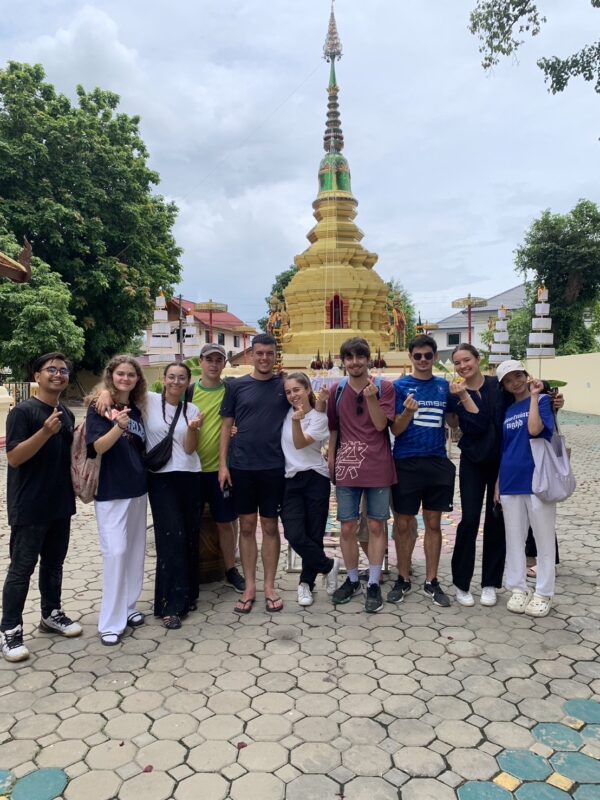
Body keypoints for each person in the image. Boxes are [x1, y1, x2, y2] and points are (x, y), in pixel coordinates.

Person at [1, 353, 82, 663]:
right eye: (51, 370)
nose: (58, 374)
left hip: (60, 502)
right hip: (29, 505)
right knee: (21, 569)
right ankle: (9, 629)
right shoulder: (23, 412)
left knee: (54, 563)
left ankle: (51, 614)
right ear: (37, 375)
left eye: (63, 370)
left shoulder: (66, 413)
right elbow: (14, 457)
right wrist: (45, 432)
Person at [390, 334, 469, 608]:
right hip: (406, 462)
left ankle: (432, 581)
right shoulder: (399, 387)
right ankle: (403, 577)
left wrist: (459, 402)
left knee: (433, 523)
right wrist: (408, 413)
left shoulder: (443, 387)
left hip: (436, 461)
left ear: (435, 357)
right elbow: (395, 430)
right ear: (410, 358)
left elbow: (453, 424)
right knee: (403, 523)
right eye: (417, 356)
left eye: (427, 356)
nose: (423, 360)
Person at [219, 333, 289, 613]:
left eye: (269, 354)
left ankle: (270, 586)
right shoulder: (237, 387)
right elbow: (226, 427)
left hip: (274, 466)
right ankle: (250, 586)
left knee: (270, 526)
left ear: (275, 355)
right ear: (251, 355)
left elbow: (309, 407)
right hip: (242, 466)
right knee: (247, 526)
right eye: (259, 353)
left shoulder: (284, 386)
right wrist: (223, 465)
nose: (264, 358)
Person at [326, 337, 396, 614]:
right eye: (349, 358)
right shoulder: (336, 390)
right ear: (343, 361)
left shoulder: (384, 388)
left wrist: (371, 399)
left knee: (377, 525)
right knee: (346, 526)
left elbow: (381, 425)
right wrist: (331, 457)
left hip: (378, 464)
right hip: (347, 464)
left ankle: (374, 582)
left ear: (369, 360)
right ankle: (353, 578)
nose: (355, 362)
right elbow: (333, 428)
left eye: (360, 357)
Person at [85, 355, 147, 646]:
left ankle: (129, 607)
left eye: (131, 375)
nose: (125, 379)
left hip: (137, 488)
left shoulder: (137, 408)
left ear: (137, 380)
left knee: (135, 552)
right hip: (111, 491)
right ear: (111, 375)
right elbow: (97, 447)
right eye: (120, 374)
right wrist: (118, 426)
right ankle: (110, 621)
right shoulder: (101, 406)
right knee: (116, 552)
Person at [494, 360, 556, 617]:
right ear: (504, 386)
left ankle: (543, 593)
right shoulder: (508, 412)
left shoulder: (542, 402)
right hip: (510, 481)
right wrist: (498, 482)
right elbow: (505, 448)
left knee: (543, 540)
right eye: (508, 380)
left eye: (518, 376)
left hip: (537, 481)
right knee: (514, 540)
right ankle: (518, 588)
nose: (515, 382)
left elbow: (535, 430)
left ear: (526, 376)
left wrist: (534, 396)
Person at [144, 363, 204, 629]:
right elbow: (113, 389)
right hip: (161, 478)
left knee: (189, 536)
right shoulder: (148, 400)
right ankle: (171, 604)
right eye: (171, 377)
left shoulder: (192, 409)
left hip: (190, 476)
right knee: (171, 538)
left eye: (182, 378)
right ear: (164, 379)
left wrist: (192, 428)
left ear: (188, 382)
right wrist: (101, 398)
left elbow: (190, 450)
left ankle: (188, 595)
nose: (176, 382)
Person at [447, 344, 505, 607]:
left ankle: (490, 582)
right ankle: (461, 583)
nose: (463, 366)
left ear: (478, 359)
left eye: (466, 360)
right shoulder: (456, 392)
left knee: (496, 518)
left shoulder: (498, 386)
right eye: (457, 363)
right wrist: (461, 398)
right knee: (469, 519)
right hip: (472, 459)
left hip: (500, 460)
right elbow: (476, 424)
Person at [280, 372, 340, 607]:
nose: (293, 395)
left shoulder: (319, 417)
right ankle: (328, 565)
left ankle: (306, 584)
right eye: (288, 392)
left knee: (314, 534)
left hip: (315, 477)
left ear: (307, 390)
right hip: (291, 479)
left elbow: (300, 442)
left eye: (296, 390)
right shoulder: (284, 414)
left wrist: (297, 421)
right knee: (293, 533)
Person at [191, 344, 245, 593]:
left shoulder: (231, 390)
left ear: (224, 364)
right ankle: (189, 569)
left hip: (222, 468)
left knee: (225, 521)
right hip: (191, 469)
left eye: (218, 360)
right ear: (200, 361)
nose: (213, 364)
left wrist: (237, 431)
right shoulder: (188, 392)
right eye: (209, 359)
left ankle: (230, 569)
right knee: (191, 521)